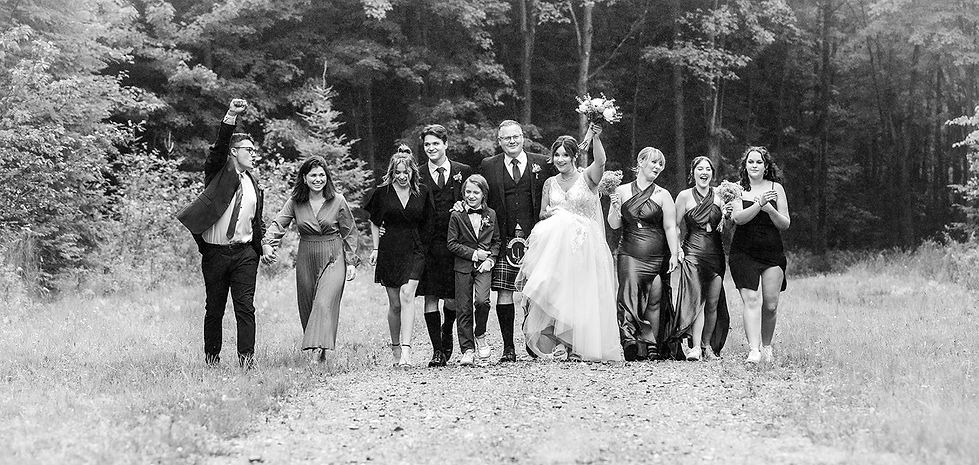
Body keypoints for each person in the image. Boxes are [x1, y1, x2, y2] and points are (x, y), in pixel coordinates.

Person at [176, 98, 270, 369]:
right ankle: (212, 360)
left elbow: (256, 220)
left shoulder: (254, 183)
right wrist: (231, 115)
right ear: (233, 152)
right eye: (248, 150)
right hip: (216, 253)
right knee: (214, 309)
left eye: (254, 150)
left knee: (245, 308)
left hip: (244, 254)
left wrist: (262, 245)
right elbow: (218, 147)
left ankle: (247, 362)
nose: (253, 154)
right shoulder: (219, 171)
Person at [519, 124, 622, 362]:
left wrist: (595, 136)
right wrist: (557, 214)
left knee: (581, 292)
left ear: (574, 156)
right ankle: (561, 342)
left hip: (583, 245)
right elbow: (543, 212)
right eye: (557, 155)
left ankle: (579, 344)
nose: (560, 159)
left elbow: (602, 162)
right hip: (555, 246)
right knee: (556, 290)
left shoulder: (587, 178)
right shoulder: (549, 183)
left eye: (565, 154)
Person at [261, 156, 360, 362]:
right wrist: (267, 243)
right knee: (308, 305)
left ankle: (316, 352)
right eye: (313, 175)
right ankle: (319, 349)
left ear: (327, 177)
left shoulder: (338, 200)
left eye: (322, 175)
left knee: (323, 303)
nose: (318, 179)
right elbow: (279, 224)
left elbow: (349, 231)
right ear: (304, 178)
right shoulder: (295, 202)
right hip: (306, 255)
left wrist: (351, 262)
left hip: (334, 255)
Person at [475, 120, 556, 362]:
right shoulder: (488, 166)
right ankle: (509, 348)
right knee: (504, 292)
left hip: (536, 237)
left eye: (516, 136)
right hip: (503, 238)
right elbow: (476, 193)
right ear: (499, 142)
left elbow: (557, 189)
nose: (512, 141)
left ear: (523, 137)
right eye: (506, 138)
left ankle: (535, 345)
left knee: (537, 292)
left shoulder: (541, 163)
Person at [607, 147, 678, 361]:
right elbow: (614, 223)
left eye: (660, 164)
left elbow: (670, 227)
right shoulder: (621, 190)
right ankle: (629, 340)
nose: (657, 167)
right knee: (628, 296)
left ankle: (652, 344)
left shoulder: (663, 194)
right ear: (641, 162)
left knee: (655, 297)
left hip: (657, 253)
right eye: (654, 162)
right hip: (629, 251)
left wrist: (674, 253)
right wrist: (614, 207)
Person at [364, 152, 435, 367]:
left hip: (415, 248)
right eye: (398, 172)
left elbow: (429, 222)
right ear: (391, 172)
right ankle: (395, 347)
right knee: (395, 304)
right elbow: (375, 221)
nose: (402, 176)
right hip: (390, 249)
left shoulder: (423, 192)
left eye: (406, 172)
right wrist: (376, 247)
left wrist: (425, 248)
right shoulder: (381, 193)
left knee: (407, 295)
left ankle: (406, 351)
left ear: (413, 171)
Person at [416, 124, 473, 367]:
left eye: (435, 143)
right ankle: (437, 350)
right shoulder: (417, 174)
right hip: (427, 244)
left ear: (446, 144)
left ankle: (447, 328)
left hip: (454, 244)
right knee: (430, 296)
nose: (431, 148)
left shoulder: (463, 171)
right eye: (427, 144)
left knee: (451, 298)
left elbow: (475, 199)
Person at [729, 146, 790, 364]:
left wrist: (770, 209)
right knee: (752, 299)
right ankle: (753, 350)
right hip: (743, 252)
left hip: (772, 252)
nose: (754, 166)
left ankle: (766, 347)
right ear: (745, 166)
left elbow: (785, 223)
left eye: (759, 162)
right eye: (750, 162)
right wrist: (758, 203)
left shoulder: (777, 188)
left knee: (771, 305)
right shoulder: (737, 189)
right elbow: (738, 218)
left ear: (766, 167)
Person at [670, 156, 732, 361]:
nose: (704, 172)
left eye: (708, 169)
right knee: (696, 299)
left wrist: (729, 216)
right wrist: (677, 249)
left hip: (715, 252)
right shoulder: (684, 196)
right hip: (693, 252)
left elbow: (727, 228)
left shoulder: (721, 196)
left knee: (713, 302)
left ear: (712, 173)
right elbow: (675, 225)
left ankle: (708, 346)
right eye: (700, 169)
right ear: (693, 172)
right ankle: (695, 347)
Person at [446, 174, 501, 366]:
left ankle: (481, 333)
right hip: (463, 265)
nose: (471, 196)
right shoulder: (456, 215)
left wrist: (491, 259)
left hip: (484, 267)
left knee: (482, 301)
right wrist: (475, 254)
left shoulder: (491, 215)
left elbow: (496, 241)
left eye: (476, 192)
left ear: (483, 194)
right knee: (463, 307)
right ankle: (467, 350)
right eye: (468, 192)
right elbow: (451, 244)